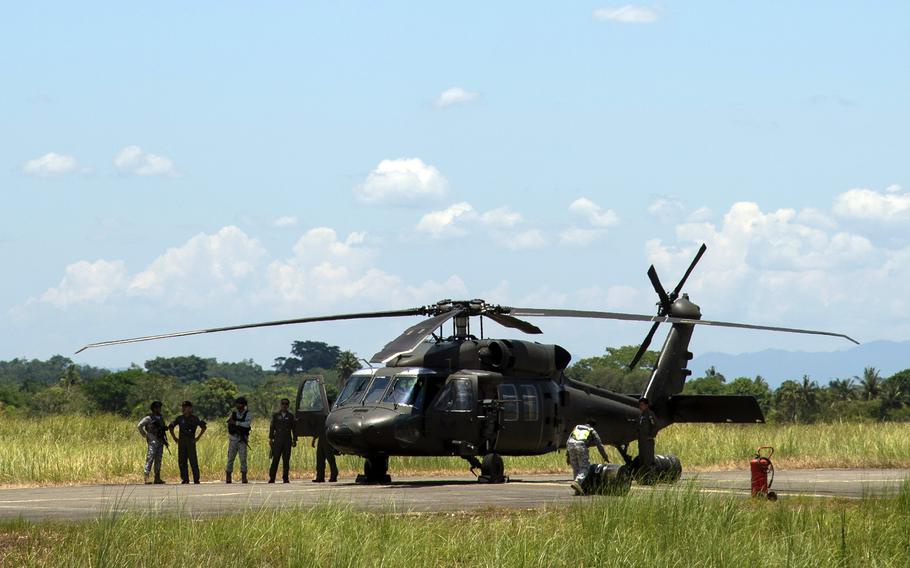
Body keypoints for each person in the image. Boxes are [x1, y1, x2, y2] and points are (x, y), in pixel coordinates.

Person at [566, 419, 609, 496]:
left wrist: (568, 455)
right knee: (585, 467)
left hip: (570, 445)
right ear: (593, 425)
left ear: (586, 423)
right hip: (581, 446)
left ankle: (578, 489)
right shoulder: (592, 430)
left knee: (576, 468)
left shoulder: (577, 427)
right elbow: (599, 445)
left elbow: (569, 439)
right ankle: (577, 482)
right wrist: (605, 456)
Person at [168, 400, 207, 484]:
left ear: (190, 408)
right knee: (182, 461)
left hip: (191, 442)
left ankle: (196, 479)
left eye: (185, 407)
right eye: (182, 407)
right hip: (181, 442)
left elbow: (204, 427)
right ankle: (185, 479)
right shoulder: (179, 418)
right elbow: (171, 427)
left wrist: (198, 438)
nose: (183, 409)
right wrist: (175, 438)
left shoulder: (195, 418)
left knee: (193, 461)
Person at [137, 401, 168, 484]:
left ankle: (157, 478)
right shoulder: (149, 418)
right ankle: (146, 477)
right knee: (150, 458)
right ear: (153, 408)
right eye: (157, 407)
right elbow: (139, 425)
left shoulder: (161, 417)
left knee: (158, 459)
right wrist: (145, 435)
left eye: (159, 407)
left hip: (160, 440)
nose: (159, 409)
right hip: (153, 440)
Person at [268, 398, 297, 483]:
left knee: (286, 460)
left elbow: (294, 429)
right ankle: (272, 478)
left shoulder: (291, 416)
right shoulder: (276, 415)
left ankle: (285, 478)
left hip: (287, 440)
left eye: (286, 404)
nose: (284, 405)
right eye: (283, 404)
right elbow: (272, 427)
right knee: (275, 459)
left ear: (288, 405)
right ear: (280, 405)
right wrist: (270, 439)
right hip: (277, 440)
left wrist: (295, 439)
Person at [225, 396, 252, 484]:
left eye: (240, 403)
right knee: (230, 458)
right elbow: (228, 422)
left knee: (243, 458)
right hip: (233, 438)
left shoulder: (248, 413)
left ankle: (244, 476)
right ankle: (228, 476)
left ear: (244, 405)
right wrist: (234, 423)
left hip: (242, 439)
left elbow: (247, 425)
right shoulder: (233, 413)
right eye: (237, 403)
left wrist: (236, 423)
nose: (238, 405)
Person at [312, 397, 338, 483]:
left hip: (328, 439)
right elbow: (318, 427)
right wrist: (314, 439)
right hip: (321, 438)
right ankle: (320, 477)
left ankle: (334, 476)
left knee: (330, 458)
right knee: (320, 458)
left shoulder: (332, 414)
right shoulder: (322, 414)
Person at [637, 397, 658, 471]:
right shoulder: (641, 415)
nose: (640, 406)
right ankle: (643, 477)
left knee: (648, 459)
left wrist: (651, 436)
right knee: (642, 459)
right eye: (639, 405)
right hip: (641, 441)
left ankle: (651, 476)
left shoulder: (650, 415)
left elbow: (655, 426)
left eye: (642, 405)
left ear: (646, 405)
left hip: (648, 441)